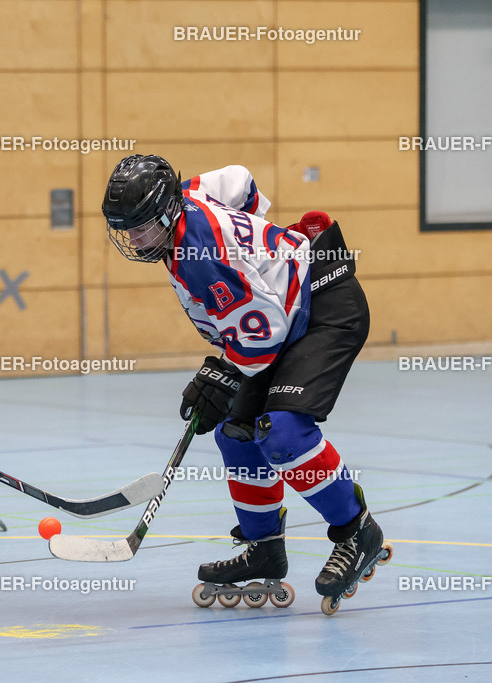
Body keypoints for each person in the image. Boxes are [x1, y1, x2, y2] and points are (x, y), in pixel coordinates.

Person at [101, 155, 392, 615]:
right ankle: (265, 548)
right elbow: (239, 180)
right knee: (235, 434)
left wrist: (223, 373)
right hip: (285, 316)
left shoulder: (203, 261)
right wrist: (257, 246)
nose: (133, 240)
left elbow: (267, 331)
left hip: (324, 311)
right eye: (125, 229)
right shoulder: (187, 195)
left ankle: (358, 531)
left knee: (284, 432)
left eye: (140, 228)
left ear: (165, 213)